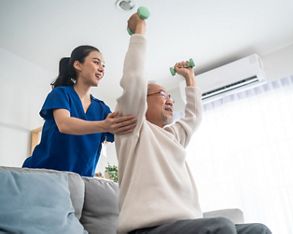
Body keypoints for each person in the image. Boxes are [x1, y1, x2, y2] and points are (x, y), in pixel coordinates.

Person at [115, 13, 272, 234]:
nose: (169, 99)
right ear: (142, 99)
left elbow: (193, 116)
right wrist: (139, 33)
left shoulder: (173, 135)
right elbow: (134, 81)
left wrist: (189, 78)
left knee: (258, 230)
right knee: (222, 226)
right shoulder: (131, 129)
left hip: (184, 226)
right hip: (145, 230)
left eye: (170, 95)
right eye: (162, 94)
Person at [23, 45, 137, 177]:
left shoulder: (102, 109)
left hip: (80, 180)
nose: (102, 68)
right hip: (42, 174)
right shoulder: (61, 93)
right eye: (96, 62)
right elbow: (64, 124)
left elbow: (122, 131)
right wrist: (104, 125)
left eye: (104, 66)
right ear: (78, 65)